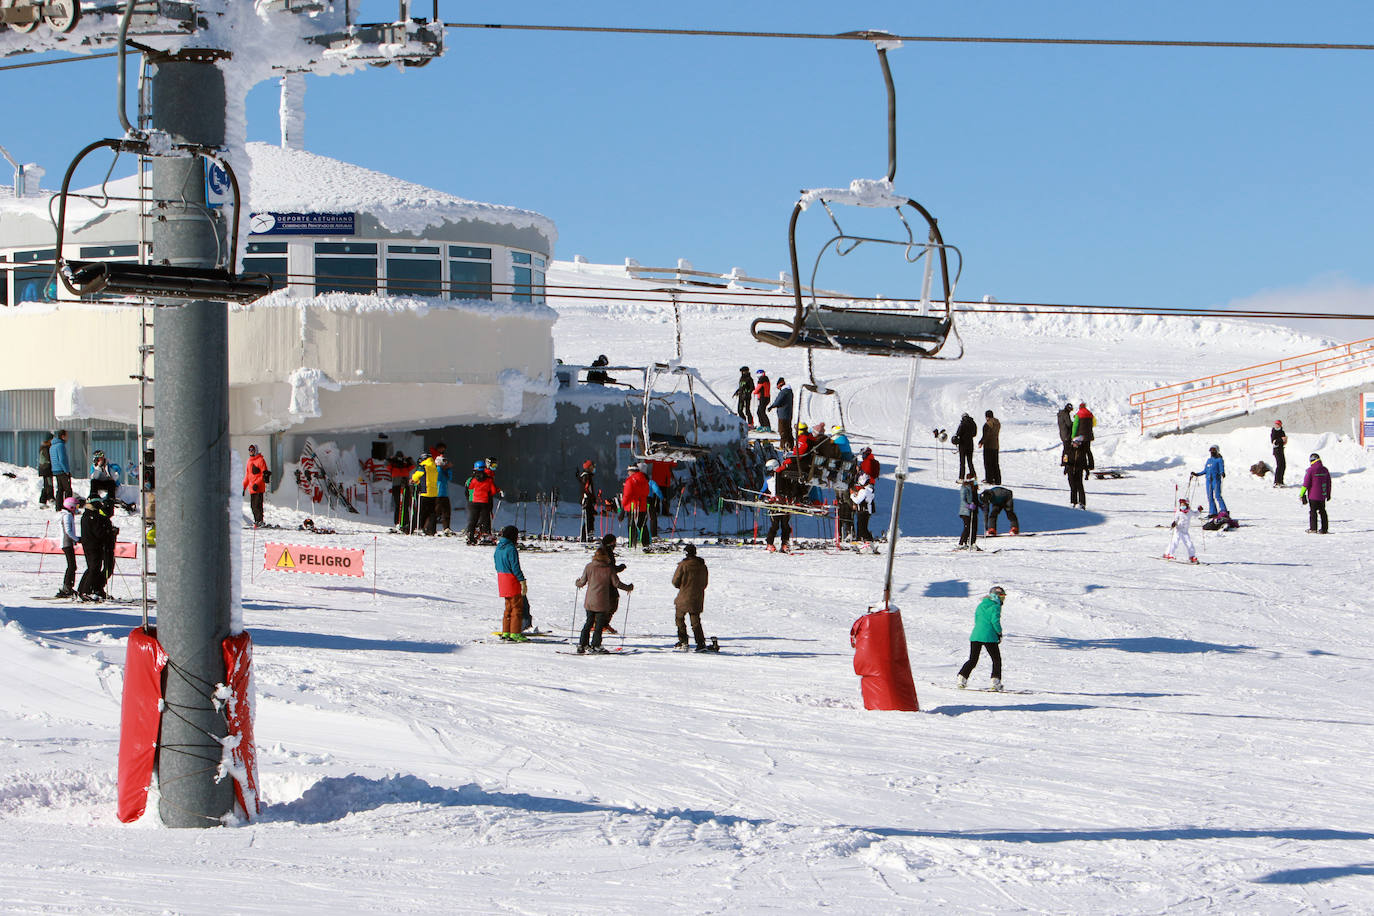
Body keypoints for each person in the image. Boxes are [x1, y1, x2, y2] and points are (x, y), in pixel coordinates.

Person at [574, 542, 633, 654]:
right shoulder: (608, 569)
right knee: (599, 625)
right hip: (602, 602)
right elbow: (617, 583)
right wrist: (628, 587)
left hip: (590, 601)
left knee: (588, 623)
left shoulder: (589, 566)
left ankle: (582, 644)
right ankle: (596, 645)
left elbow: (582, 582)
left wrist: (577, 583)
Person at [956, 585, 1006, 691]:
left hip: (976, 635)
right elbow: (995, 621)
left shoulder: (980, 605)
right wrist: (999, 632)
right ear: (995, 596)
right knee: (996, 659)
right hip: (989, 636)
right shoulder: (995, 606)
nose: (1003, 598)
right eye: (1001, 596)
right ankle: (995, 681)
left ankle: (962, 677)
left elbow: (977, 620)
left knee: (973, 659)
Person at [671, 543, 710, 652]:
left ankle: (683, 641)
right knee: (695, 621)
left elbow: (675, 582)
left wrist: (683, 586)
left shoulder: (683, 565)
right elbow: (705, 583)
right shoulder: (702, 565)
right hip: (698, 597)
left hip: (684, 596)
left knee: (679, 618)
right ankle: (700, 643)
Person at [494, 525, 529, 641]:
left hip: (501, 578)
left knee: (508, 607)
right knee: (517, 607)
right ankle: (515, 632)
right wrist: (522, 581)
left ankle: (506, 632)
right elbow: (515, 567)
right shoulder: (511, 548)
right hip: (512, 579)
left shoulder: (498, 547)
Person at [76, 496, 113, 601]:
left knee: (92, 568)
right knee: (94, 568)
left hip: (89, 545)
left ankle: (83, 590)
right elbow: (98, 532)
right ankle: (87, 591)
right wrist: (108, 533)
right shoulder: (92, 516)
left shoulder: (87, 515)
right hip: (93, 546)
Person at [465, 460, 502, 544]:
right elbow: (492, 491)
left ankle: (470, 535)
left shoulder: (473, 479)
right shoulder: (489, 479)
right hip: (484, 501)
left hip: (474, 501)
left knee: (473, 519)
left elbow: (470, 488)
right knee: (485, 519)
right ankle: (485, 535)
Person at [762, 458, 793, 553]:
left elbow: (790, 489)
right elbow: (762, 492)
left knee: (785, 525)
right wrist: (763, 498)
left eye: (770, 469)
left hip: (784, 505)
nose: (769, 472)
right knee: (775, 525)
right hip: (774, 506)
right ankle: (769, 544)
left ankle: (785, 544)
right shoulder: (768, 480)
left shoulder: (785, 477)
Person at [55, 495, 82, 598]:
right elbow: (68, 531)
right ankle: (67, 588)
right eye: (76, 506)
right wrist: (77, 539)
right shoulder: (67, 516)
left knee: (72, 566)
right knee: (72, 566)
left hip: (67, 543)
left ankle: (67, 587)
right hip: (67, 543)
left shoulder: (66, 514)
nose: (77, 509)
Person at [1190, 445, 1228, 517]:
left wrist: (1222, 473)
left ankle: (1224, 511)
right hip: (1208, 480)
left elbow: (1221, 468)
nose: (1212, 452)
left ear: (1217, 451)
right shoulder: (1209, 460)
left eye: (1214, 450)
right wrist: (1197, 474)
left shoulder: (1219, 460)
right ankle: (1213, 512)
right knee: (1210, 496)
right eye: (1211, 451)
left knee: (1217, 495)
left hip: (1215, 480)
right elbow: (1205, 470)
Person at [622, 462, 652, 548]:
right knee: (642, 525)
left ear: (632, 471)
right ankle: (646, 543)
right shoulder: (644, 479)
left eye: (628, 471)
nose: (628, 473)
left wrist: (622, 506)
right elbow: (647, 492)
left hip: (632, 506)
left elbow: (627, 495)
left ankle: (633, 543)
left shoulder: (630, 480)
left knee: (632, 525)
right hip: (642, 505)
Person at [1300, 452, 1331, 534]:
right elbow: (1328, 483)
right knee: (1323, 511)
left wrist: (1302, 494)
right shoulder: (1325, 470)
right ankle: (1324, 529)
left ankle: (1313, 528)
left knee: (1313, 512)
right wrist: (1328, 494)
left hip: (1313, 495)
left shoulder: (1310, 470)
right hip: (1322, 495)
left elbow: (1305, 484)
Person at [410, 453, 439, 535]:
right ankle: (431, 530)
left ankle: (416, 527)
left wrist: (413, 479)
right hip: (433, 492)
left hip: (425, 492)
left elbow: (416, 476)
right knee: (432, 512)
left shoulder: (423, 466)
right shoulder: (434, 466)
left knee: (420, 511)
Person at [1164, 497, 1201, 563]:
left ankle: (1192, 556)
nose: (1182, 506)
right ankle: (1168, 554)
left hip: (1185, 531)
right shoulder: (1179, 512)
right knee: (1175, 542)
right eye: (1181, 505)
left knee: (1189, 543)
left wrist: (1199, 510)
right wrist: (1174, 523)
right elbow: (1176, 519)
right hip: (1178, 530)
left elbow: (1196, 514)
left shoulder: (1190, 511)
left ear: (1187, 505)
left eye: (1183, 505)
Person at [242, 444, 269, 528]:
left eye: (252, 450)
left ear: (256, 450)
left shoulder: (260, 460)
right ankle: (257, 520)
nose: (251, 451)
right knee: (253, 506)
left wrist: (257, 483)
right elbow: (247, 476)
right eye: (249, 450)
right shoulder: (249, 461)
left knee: (258, 505)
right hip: (252, 488)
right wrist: (243, 487)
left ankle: (260, 520)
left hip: (258, 487)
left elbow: (263, 474)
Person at [1062, 435, 1092, 508]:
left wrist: (1087, 471)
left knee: (1080, 487)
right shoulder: (1069, 449)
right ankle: (1073, 502)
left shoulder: (1081, 451)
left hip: (1079, 471)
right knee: (1073, 487)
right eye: (1074, 442)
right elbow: (1065, 458)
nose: (1075, 444)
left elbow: (1084, 461)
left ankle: (1082, 503)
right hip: (1070, 470)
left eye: (1077, 443)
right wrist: (1066, 466)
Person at [387, 452, 414, 527]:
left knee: (405, 505)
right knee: (398, 505)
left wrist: (408, 458)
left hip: (405, 486)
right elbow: (386, 464)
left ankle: (406, 522)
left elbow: (413, 465)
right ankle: (397, 522)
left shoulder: (405, 465)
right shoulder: (393, 465)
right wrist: (391, 459)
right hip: (396, 487)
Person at [770, 378, 795, 450]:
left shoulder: (784, 392)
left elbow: (778, 401)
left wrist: (772, 406)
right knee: (788, 430)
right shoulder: (789, 391)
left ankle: (782, 446)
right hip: (788, 414)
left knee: (782, 430)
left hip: (783, 414)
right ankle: (790, 445)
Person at [852, 474, 877, 544]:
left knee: (862, 526)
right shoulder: (868, 490)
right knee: (861, 525)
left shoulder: (864, 491)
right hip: (866, 510)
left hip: (863, 510)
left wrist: (852, 496)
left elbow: (857, 500)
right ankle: (859, 538)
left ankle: (868, 539)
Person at [50, 429, 72, 508]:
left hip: (55, 470)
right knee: (68, 490)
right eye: (67, 436)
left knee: (60, 489)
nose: (68, 437)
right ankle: (69, 506)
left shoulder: (53, 446)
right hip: (62, 470)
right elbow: (62, 459)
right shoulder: (60, 445)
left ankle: (58, 506)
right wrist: (66, 471)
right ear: (62, 436)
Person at [953, 412, 978, 481]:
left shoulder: (962, 424)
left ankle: (961, 478)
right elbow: (974, 434)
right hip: (970, 444)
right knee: (970, 461)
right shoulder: (973, 423)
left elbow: (958, 433)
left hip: (963, 445)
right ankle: (974, 476)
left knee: (962, 462)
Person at [957, 475, 980, 550]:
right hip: (966, 512)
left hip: (974, 511)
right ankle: (962, 543)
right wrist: (969, 506)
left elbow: (976, 500)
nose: (976, 482)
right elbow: (963, 500)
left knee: (974, 528)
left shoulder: (974, 489)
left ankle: (972, 543)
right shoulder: (965, 488)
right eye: (974, 480)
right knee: (967, 527)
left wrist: (982, 506)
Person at [979, 409, 1002, 485]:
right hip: (996, 445)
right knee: (995, 463)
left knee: (988, 463)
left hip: (989, 446)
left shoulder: (987, 424)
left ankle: (989, 479)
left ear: (987, 416)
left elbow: (986, 435)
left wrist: (981, 442)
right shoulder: (997, 423)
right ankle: (997, 480)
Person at [434, 454, 454, 534]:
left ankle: (446, 527)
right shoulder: (438, 469)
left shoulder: (443, 470)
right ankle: (428, 526)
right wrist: (447, 468)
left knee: (446, 511)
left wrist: (448, 469)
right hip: (438, 494)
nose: (445, 463)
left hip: (444, 494)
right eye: (444, 461)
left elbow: (449, 478)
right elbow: (442, 477)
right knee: (436, 512)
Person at [578, 459, 597, 542]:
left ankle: (588, 535)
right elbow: (586, 489)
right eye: (592, 467)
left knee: (590, 518)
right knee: (588, 519)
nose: (594, 468)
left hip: (588, 500)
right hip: (587, 500)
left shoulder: (588, 476)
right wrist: (591, 497)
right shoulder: (586, 476)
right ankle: (586, 536)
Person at [1073, 402, 1096, 467]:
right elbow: (1094, 423)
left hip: (1081, 436)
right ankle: (1091, 465)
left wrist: (1073, 435)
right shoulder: (1090, 414)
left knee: (1081, 451)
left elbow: (1075, 426)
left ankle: (1083, 464)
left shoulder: (1078, 415)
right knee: (1088, 450)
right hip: (1089, 435)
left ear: (1080, 407)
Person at [1270, 420, 1288, 487]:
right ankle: (1276, 482)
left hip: (1281, 449)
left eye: (1278, 424)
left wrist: (1285, 440)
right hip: (1276, 450)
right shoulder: (1274, 431)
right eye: (1276, 424)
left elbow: (1283, 441)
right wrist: (1281, 439)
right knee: (1279, 465)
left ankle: (1281, 481)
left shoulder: (1282, 431)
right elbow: (1273, 441)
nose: (1277, 425)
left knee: (1283, 465)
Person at [38, 433, 54, 508]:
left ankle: (44, 500)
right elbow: (49, 458)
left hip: (44, 469)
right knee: (48, 484)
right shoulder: (46, 448)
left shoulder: (42, 447)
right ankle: (48, 499)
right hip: (46, 469)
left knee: (47, 484)